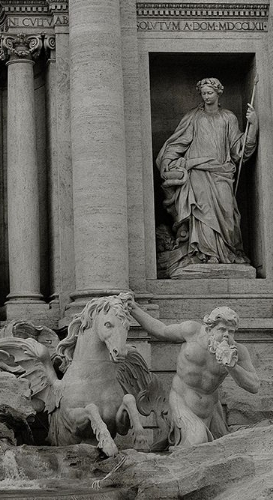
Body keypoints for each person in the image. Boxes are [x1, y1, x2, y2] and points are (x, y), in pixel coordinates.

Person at [156, 77, 258, 267]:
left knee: (228, 214)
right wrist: (168, 161)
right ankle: (205, 253)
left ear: (218, 93)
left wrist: (253, 126)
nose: (206, 97)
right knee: (202, 213)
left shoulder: (228, 118)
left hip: (222, 172)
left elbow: (239, 150)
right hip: (198, 172)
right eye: (203, 93)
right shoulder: (193, 117)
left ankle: (228, 252)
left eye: (209, 93)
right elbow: (178, 142)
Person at [129, 300, 259, 447]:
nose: (226, 336)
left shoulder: (238, 351)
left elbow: (254, 386)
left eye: (231, 332)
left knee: (223, 448)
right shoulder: (192, 332)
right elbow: (161, 330)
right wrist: (134, 309)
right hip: (182, 401)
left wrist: (231, 366)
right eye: (222, 330)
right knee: (197, 443)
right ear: (210, 329)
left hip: (211, 409)